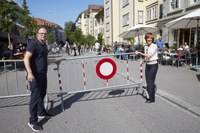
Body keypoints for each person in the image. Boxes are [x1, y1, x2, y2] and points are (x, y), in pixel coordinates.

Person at [24, 26, 60, 132]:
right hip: (35, 75)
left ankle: (41, 112)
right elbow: (26, 58)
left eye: (45, 34)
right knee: (35, 98)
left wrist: (54, 62)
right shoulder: (33, 44)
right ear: (37, 34)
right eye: (41, 33)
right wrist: (30, 73)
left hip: (43, 74)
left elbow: (43, 60)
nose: (43, 35)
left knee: (42, 94)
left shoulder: (44, 45)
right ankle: (32, 121)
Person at [135, 32, 158, 103]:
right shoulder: (146, 47)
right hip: (148, 65)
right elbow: (147, 58)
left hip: (153, 65)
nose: (149, 39)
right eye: (147, 38)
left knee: (150, 81)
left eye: (150, 38)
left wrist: (139, 53)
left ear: (152, 39)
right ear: (146, 39)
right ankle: (149, 95)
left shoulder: (154, 46)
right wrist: (143, 61)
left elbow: (148, 56)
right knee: (148, 81)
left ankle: (151, 99)